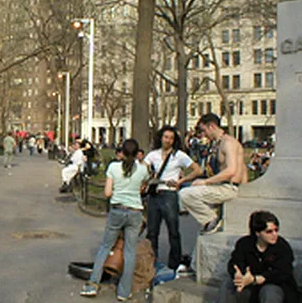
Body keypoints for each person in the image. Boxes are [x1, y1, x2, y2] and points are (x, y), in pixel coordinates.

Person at [80, 139, 150, 301]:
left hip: (117, 210)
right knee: (130, 251)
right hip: (135, 211)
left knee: (105, 246)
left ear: (122, 152)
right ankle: (124, 292)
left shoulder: (113, 167)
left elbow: (107, 193)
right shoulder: (142, 169)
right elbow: (143, 186)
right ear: (137, 153)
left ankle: (92, 284)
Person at [144, 125, 203, 272]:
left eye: (171, 138)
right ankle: (151, 262)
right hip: (155, 194)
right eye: (165, 137)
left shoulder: (179, 156)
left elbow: (197, 170)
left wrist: (181, 181)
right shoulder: (153, 155)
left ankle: (174, 263)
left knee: (173, 231)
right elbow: (142, 169)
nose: (168, 141)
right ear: (161, 138)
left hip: (169, 194)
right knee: (152, 231)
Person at [180, 113, 248, 235]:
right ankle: (209, 224)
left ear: (211, 126)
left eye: (203, 130)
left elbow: (231, 170)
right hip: (221, 186)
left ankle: (211, 220)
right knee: (189, 189)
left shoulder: (228, 143)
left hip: (230, 187)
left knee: (185, 194)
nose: (203, 134)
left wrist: (206, 182)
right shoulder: (218, 143)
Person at [218, 211, 301, 303]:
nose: (274, 234)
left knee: (269, 291)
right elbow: (235, 262)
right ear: (257, 233)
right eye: (269, 231)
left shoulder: (282, 247)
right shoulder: (244, 244)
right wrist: (238, 274)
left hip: (274, 288)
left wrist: (258, 278)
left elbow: (284, 272)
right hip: (251, 289)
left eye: (276, 230)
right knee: (228, 283)